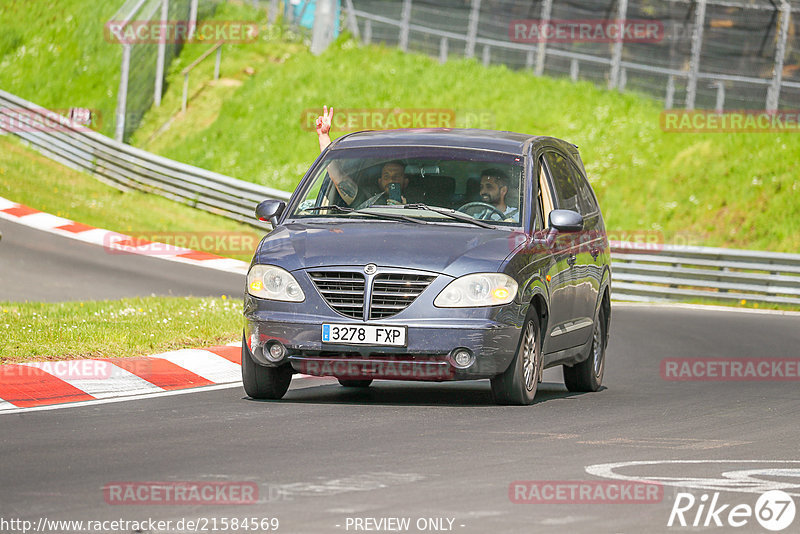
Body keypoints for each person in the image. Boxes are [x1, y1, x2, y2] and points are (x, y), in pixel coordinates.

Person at [315, 105, 410, 208]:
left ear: (405, 181)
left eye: (396, 176)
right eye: (386, 176)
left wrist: (406, 210)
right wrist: (323, 137)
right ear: (380, 181)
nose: (391, 180)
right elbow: (338, 178)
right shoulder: (366, 200)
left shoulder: (420, 203)